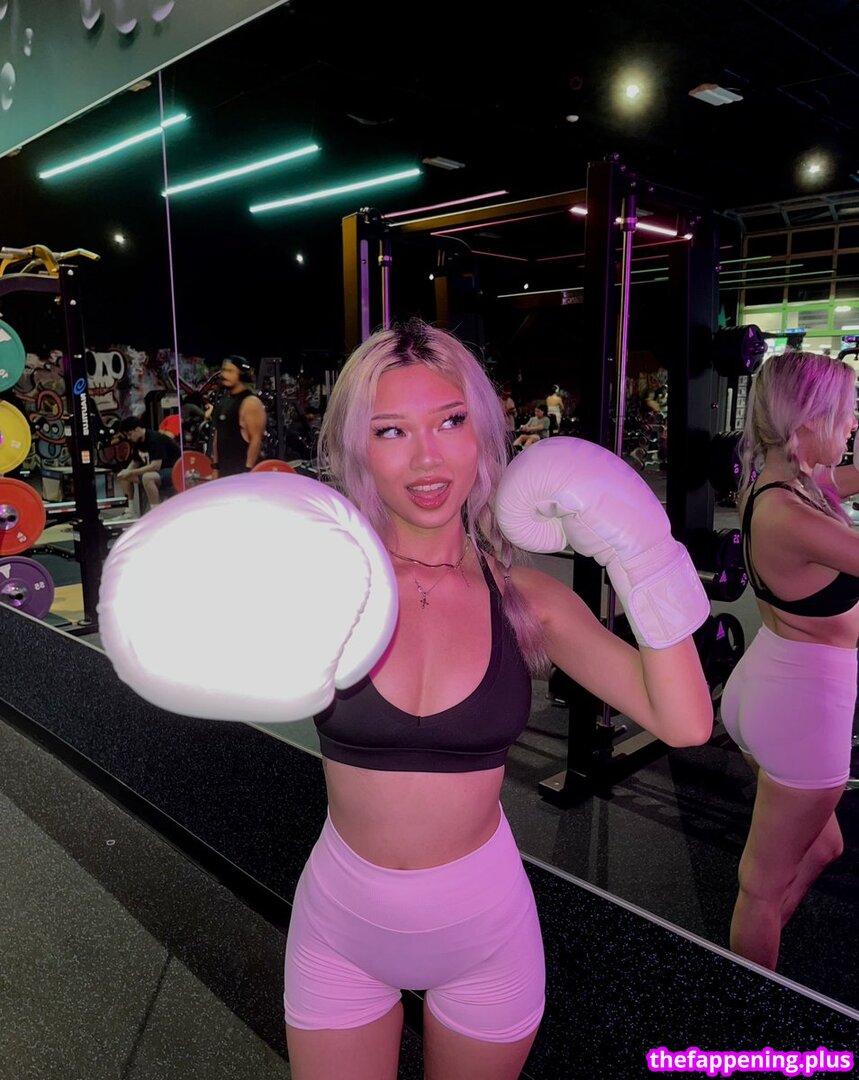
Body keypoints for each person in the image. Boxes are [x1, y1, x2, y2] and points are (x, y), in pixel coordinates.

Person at [98, 319, 713, 1080]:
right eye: (391, 430)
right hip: (341, 931)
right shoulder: (327, 583)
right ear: (358, 447)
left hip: (485, 936)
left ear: (483, 433)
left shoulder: (528, 600)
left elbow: (686, 722)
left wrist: (643, 555)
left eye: (450, 421)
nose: (427, 458)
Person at [720, 349, 859, 971]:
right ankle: (749, 998)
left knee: (824, 846)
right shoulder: (793, 516)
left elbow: (844, 480)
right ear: (807, 423)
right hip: (804, 710)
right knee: (760, 886)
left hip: (766, 686)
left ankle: (764, 940)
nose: (854, 423)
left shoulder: (781, 484)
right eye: (846, 412)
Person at [211, 356, 267, 476]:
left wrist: (247, 471)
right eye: (224, 370)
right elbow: (217, 437)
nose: (224, 375)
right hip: (225, 473)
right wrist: (215, 468)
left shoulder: (251, 402)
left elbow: (256, 440)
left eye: (230, 371)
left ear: (242, 375)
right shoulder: (223, 402)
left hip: (242, 474)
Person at [115, 414, 181, 511]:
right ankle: (129, 511)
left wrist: (131, 472)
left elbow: (155, 466)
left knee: (147, 477)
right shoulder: (137, 441)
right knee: (124, 477)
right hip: (158, 472)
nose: (128, 438)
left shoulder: (155, 439)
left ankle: (156, 512)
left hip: (174, 470)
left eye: (129, 434)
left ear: (137, 429)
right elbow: (135, 461)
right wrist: (126, 472)